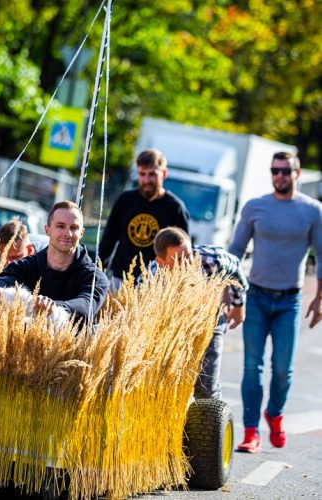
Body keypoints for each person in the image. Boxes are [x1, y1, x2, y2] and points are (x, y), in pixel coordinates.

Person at [229, 151, 322, 454]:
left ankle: (276, 413)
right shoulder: (256, 207)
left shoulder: (312, 211)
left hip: (289, 302)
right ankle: (251, 431)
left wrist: (319, 298)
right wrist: (229, 293)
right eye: (275, 170)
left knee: (283, 369)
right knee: (252, 367)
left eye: (285, 170)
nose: (279, 176)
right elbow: (235, 252)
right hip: (255, 296)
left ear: (297, 173)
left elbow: (321, 256)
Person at [147, 227, 248, 400]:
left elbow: (237, 271)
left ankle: (212, 417)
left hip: (210, 319)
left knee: (205, 386)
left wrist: (239, 306)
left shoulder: (212, 259)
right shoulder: (153, 276)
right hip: (174, 325)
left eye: (188, 255)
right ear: (161, 261)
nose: (187, 263)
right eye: (178, 259)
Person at [0, 201, 109, 325]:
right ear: (47, 230)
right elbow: (5, 279)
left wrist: (53, 306)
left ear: (81, 233)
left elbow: (87, 305)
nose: (68, 233)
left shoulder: (95, 277)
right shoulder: (25, 265)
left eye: (74, 227)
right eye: (60, 226)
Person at [99, 148, 189, 289]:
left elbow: (182, 253)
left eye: (152, 174)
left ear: (164, 174)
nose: (147, 180)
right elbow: (108, 241)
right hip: (120, 279)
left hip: (155, 284)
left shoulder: (175, 208)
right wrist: (98, 272)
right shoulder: (125, 200)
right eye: (142, 174)